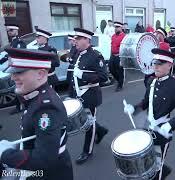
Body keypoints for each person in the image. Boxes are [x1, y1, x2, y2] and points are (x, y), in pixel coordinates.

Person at [124, 45, 175, 180]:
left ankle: (161, 171)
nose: (155, 66)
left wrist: (170, 124)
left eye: (159, 64)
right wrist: (134, 108)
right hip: (146, 128)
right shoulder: (151, 81)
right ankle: (163, 169)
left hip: (161, 132)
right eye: (154, 63)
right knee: (145, 161)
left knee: (156, 168)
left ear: (169, 65)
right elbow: (146, 101)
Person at [0, 48, 73, 179]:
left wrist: (5, 154)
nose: (13, 77)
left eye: (19, 72)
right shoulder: (35, 96)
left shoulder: (46, 107)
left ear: (40, 74)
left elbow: (44, 159)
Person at [70, 28, 109, 164]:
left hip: (90, 94)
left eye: (78, 39)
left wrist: (84, 75)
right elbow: (73, 76)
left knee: (89, 123)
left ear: (87, 40)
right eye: (75, 39)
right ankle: (101, 130)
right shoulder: (77, 54)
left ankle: (87, 151)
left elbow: (103, 77)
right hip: (78, 93)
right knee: (84, 120)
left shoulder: (95, 55)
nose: (75, 41)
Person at [2, 23, 27, 115]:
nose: (9, 32)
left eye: (11, 30)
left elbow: (20, 55)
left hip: (19, 69)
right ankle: (19, 106)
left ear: (16, 31)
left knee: (21, 88)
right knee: (17, 88)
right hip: (14, 68)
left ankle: (25, 106)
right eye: (8, 30)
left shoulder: (19, 42)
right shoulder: (13, 42)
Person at [109, 22, 126, 92]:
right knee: (111, 69)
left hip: (119, 56)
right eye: (115, 27)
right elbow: (111, 46)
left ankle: (120, 85)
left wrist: (122, 59)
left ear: (121, 28)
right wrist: (110, 55)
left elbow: (124, 48)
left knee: (120, 71)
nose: (116, 29)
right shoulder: (113, 36)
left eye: (117, 27)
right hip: (113, 56)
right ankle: (119, 80)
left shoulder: (124, 36)